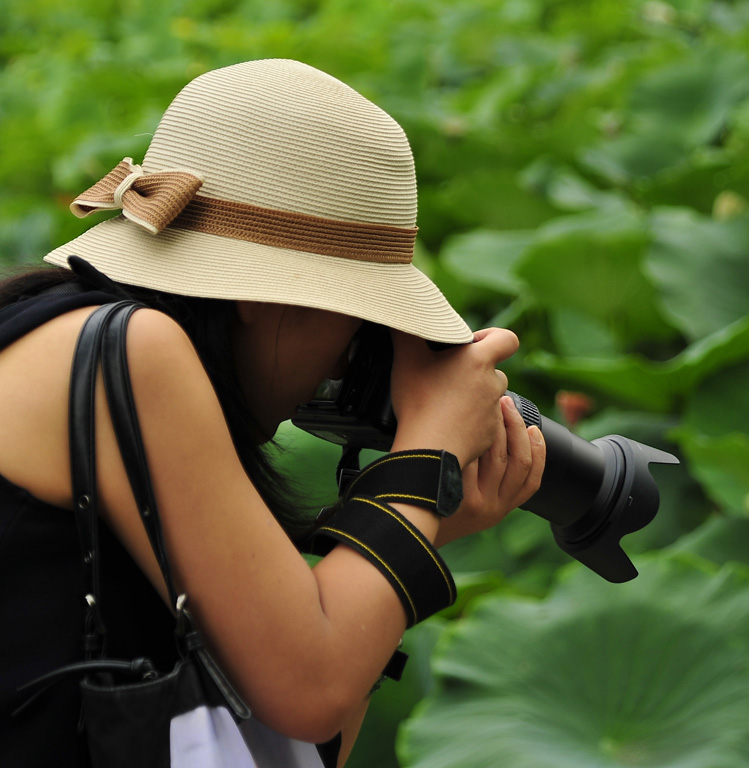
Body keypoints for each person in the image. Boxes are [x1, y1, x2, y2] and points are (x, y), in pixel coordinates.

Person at [0, 58, 546, 766]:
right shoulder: (129, 352)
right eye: (359, 318)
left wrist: (418, 523)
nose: (353, 355)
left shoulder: (55, 335)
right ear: (264, 292)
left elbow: (295, 747)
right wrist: (429, 453)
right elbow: (310, 690)